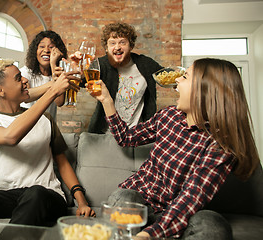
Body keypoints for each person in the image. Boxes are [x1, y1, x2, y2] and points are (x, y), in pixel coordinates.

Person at [89, 58, 260, 239]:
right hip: (140, 204)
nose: (177, 80)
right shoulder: (168, 115)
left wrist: (147, 235)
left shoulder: (221, 145)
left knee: (213, 224)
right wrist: (106, 100)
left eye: (185, 76)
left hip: (182, 215)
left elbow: (191, 198)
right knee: (125, 198)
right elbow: (126, 137)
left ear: (205, 90)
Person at [0, 59, 95, 227]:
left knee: (35, 193)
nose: (25, 80)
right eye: (19, 78)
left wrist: (82, 201)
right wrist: (52, 91)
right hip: (10, 196)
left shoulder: (46, 119)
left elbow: (63, 164)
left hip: (47, 196)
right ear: (0, 91)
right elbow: (10, 137)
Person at [88, 22, 163, 133]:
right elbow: (81, 80)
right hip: (106, 134)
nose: (117, 47)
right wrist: (76, 68)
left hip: (136, 135)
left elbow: (167, 76)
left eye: (122, 42)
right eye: (112, 43)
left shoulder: (145, 64)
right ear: (107, 48)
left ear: (131, 45)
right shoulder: (100, 65)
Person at [20, 30, 69, 119]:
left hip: (48, 126)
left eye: (51, 47)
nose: (46, 50)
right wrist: (53, 83)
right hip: (27, 125)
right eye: (42, 46)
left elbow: (59, 102)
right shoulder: (25, 72)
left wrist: (53, 64)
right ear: (35, 51)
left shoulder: (60, 73)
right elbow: (25, 97)